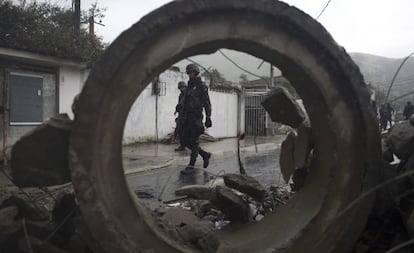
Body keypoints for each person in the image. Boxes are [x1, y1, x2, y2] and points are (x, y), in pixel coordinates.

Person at [180, 63, 212, 174]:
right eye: (188, 72)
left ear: (196, 72)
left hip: (196, 118)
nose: (189, 74)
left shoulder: (201, 86)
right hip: (187, 117)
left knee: (194, 142)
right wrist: (180, 106)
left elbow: (207, 103)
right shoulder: (189, 85)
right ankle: (205, 154)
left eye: (191, 72)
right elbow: (186, 100)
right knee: (184, 141)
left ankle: (191, 166)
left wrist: (208, 117)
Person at [174, 81, 187, 151]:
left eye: (182, 87)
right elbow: (179, 104)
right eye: (180, 88)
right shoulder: (181, 95)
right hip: (181, 115)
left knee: (187, 131)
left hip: (187, 115)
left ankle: (189, 145)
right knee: (179, 130)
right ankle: (182, 146)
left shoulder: (188, 94)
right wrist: (176, 110)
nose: (181, 89)